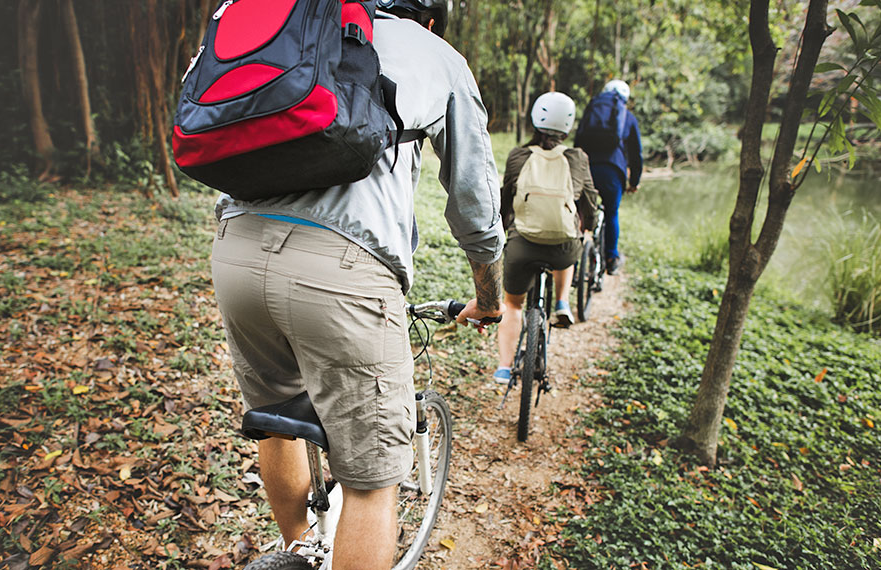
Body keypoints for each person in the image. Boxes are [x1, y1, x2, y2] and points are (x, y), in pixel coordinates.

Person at [210, 1, 505, 568]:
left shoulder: (294, 31)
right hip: (343, 271)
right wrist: (489, 297)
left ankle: (298, 546)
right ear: (431, 18)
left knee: (276, 416)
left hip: (235, 251)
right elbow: (474, 202)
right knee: (371, 481)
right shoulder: (437, 56)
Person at [493, 91, 598, 384]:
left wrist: (503, 231)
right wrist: (587, 226)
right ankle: (563, 302)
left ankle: (504, 367)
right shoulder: (578, 158)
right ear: (568, 126)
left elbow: (506, 199)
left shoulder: (519, 155)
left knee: (513, 305)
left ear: (535, 120)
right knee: (569, 241)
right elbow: (589, 200)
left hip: (522, 245)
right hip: (563, 250)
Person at [583, 79, 643, 275]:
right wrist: (633, 182)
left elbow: (578, 140)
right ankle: (611, 258)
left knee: (581, 212)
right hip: (613, 171)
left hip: (587, 167)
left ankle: (574, 257)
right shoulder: (629, 117)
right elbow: (636, 155)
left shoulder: (592, 111)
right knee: (611, 213)